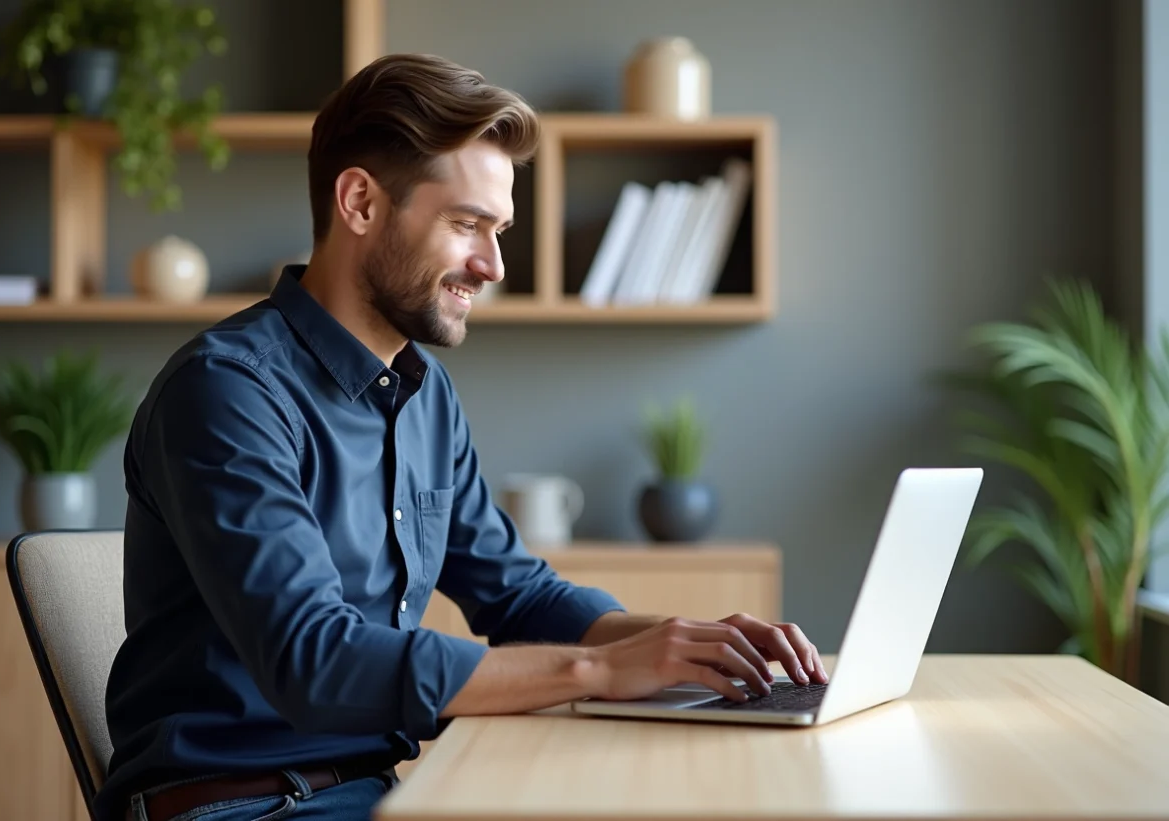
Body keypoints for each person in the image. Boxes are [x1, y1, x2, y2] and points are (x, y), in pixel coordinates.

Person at [99, 52, 827, 821]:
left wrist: (689, 643)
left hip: (368, 790)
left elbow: (518, 594)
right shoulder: (228, 391)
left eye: (499, 229)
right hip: (241, 806)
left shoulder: (424, 394)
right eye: (466, 224)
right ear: (359, 202)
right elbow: (314, 659)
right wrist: (599, 668)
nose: (492, 264)